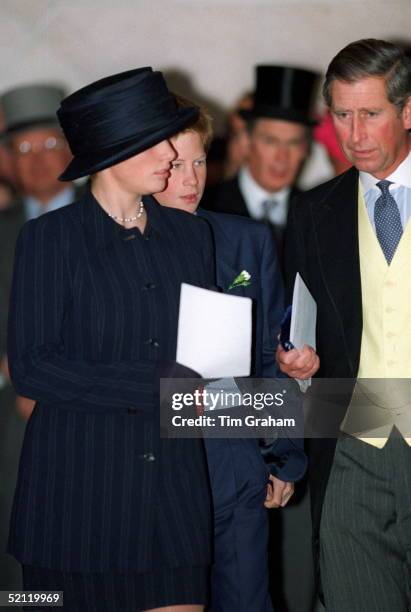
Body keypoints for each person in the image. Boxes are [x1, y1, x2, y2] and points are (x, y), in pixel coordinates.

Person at [7, 68, 216, 612]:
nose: (174, 154)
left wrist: (283, 397)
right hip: (73, 502)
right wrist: (159, 385)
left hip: (172, 500)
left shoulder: (193, 236)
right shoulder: (49, 240)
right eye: (161, 140)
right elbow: (32, 368)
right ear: (113, 151)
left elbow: (210, 364)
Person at [155, 94, 307, 612]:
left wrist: (284, 456)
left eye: (199, 161)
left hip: (236, 469)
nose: (192, 179)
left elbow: (270, 357)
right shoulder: (111, 247)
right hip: (152, 474)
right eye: (176, 165)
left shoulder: (246, 239)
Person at [278, 39, 411, 611]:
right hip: (353, 436)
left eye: (371, 114)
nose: (353, 134)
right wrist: (296, 361)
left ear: (408, 111)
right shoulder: (312, 210)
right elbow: (295, 324)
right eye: (341, 115)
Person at [0, 83, 77, 591]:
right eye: (23, 150)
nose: (37, 160)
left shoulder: (113, 216)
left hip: (97, 413)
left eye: (48, 144)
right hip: (14, 421)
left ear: (71, 149)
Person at [202, 65, 318, 261]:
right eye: (270, 141)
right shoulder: (207, 208)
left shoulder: (319, 216)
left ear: (306, 148)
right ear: (246, 142)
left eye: (293, 143)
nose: (282, 157)